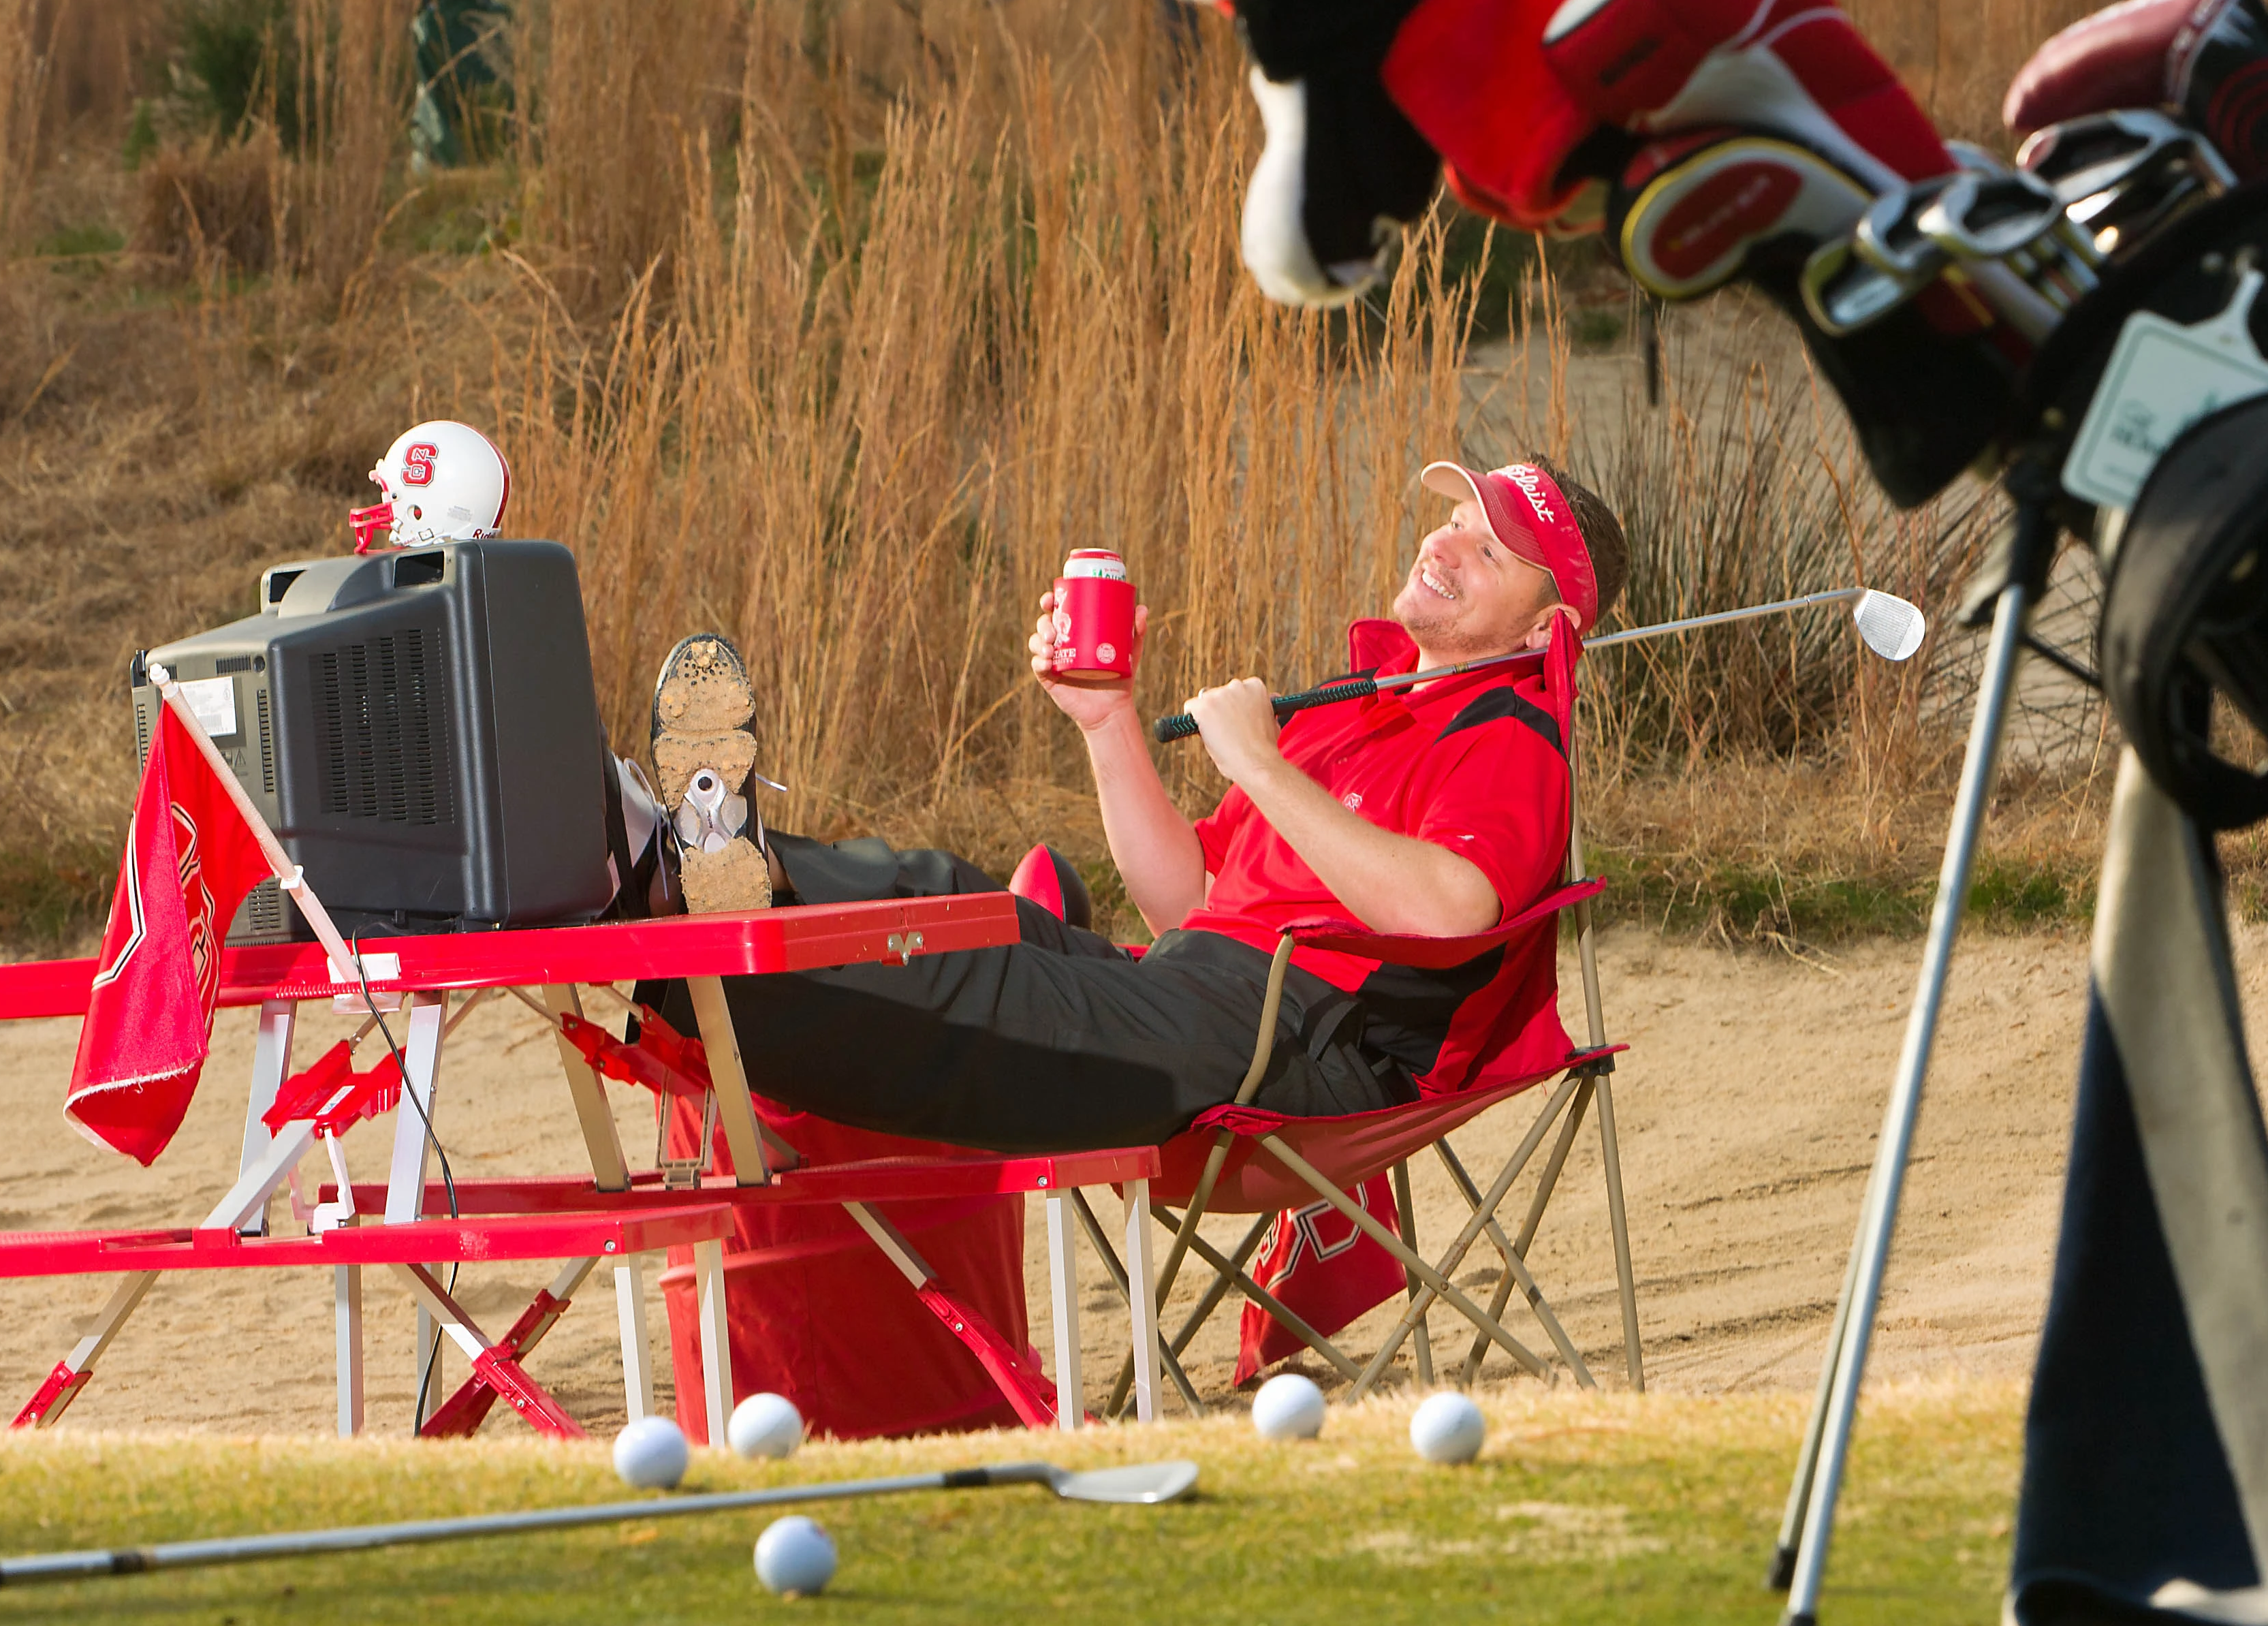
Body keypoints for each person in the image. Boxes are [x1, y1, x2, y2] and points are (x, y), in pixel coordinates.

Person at [643, 455, 1628, 1154]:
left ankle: (677, 957)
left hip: (1305, 1045)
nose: (1447, 545)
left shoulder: (1511, 735)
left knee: (992, 982)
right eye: (1457, 520)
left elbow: (1452, 912)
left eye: (1491, 551)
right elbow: (1184, 903)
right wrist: (1108, 718)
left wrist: (1262, 768)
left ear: (1543, 628)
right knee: (954, 901)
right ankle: (689, 861)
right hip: (1198, 988)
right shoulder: (1357, 708)